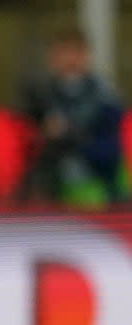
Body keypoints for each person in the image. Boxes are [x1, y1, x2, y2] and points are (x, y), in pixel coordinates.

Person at [16, 27, 127, 208]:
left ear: (86, 55)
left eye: (75, 52)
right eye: (63, 53)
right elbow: (27, 134)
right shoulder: (39, 94)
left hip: (97, 172)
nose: (69, 59)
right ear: (51, 57)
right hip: (55, 176)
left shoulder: (104, 94)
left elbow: (110, 145)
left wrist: (70, 133)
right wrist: (43, 127)